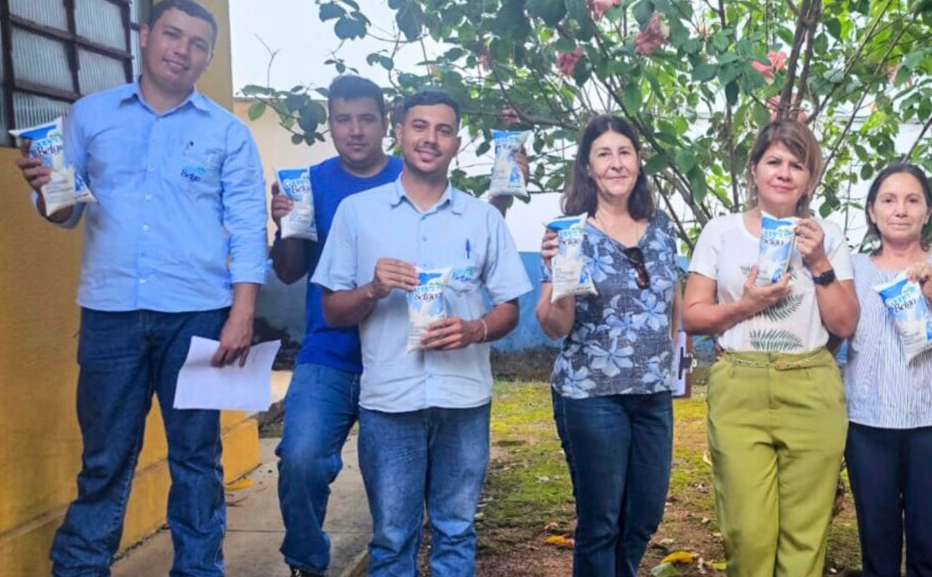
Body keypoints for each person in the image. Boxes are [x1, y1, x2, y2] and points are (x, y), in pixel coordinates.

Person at [14, 0, 267, 576]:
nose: (183, 50)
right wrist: (45, 188)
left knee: (197, 458)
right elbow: (65, 212)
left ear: (208, 58)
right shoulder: (91, 115)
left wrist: (242, 313)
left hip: (199, 315)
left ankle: (198, 569)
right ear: (146, 35)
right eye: (173, 35)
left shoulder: (226, 132)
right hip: (111, 313)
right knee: (105, 458)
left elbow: (249, 225)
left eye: (198, 44)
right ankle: (81, 568)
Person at [270, 76, 529, 577]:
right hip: (370, 380)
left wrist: (475, 329)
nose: (430, 138)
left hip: (458, 392)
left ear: (456, 142)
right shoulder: (350, 208)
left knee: (456, 530)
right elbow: (319, 297)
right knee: (376, 524)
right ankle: (306, 560)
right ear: (402, 133)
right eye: (420, 127)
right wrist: (371, 287)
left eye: (443, 130)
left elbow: (504, 297)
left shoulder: (478, 216)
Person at [682, 119, 858, 577]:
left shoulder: (828, 236)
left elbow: (844, 323)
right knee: (748, 535)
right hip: (739, 385)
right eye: (774, 161)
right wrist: (745, 305)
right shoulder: (721, 231)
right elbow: (692, 316)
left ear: (809, 178)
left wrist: (818, 260)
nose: (784, 173)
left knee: (805, 537)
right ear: (754, 170)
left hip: (811, 386)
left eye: (797, 165)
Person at [535, 115, 680, 577]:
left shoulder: (661, 227)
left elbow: (672, 301)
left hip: (653, 394)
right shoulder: (569, 232)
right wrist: (559, 276)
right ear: (587, 166)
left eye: (624, 152)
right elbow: (554, 327)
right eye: (604, 154)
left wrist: (678, 364)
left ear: (638, 161)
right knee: (601, 523)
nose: (616, 163)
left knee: (643, 517)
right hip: (591, 394)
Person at [842, 163, 932, 577]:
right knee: (877, 554)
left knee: (928, 554)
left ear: (927, 211)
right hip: (867, 425)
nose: (900, 210)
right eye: (888, 200)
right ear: (871, 211)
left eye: (912, 200)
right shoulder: (852, 269)